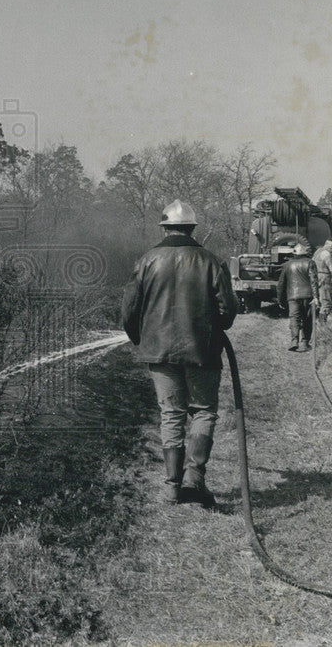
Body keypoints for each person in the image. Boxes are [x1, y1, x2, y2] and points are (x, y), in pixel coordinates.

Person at [122, 200, 238, 507]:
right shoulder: (211, 261)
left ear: (164, 228)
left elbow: (129, 308)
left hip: (158, 352)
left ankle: (172, 487)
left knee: (170, 413)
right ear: (192, 228)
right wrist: (216, 326)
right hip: (202, 350)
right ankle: (193, 477)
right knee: (203, 411)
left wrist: (140, 338)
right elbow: (228, 311)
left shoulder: (147, 260)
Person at [277, 242, 315, 351]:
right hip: (308, 295)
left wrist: (280, 300)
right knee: (307, 319)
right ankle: (305, 342)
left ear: (294, 253)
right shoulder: (310, 262)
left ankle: (294, 340)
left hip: (292, 296)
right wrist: (316, 297)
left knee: (294, 318)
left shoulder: (287, 265)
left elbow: (281, 284)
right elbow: (314, 281)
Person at [311, 239, 332, 322]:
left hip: (315, 276)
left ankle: (313, 319)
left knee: (317, 298)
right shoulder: (326, 254)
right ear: (326, 244)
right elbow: (331, 268)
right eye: (331, 245)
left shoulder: (317, 251)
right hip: (324, 278)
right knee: (326, 301)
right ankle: (322, 324)